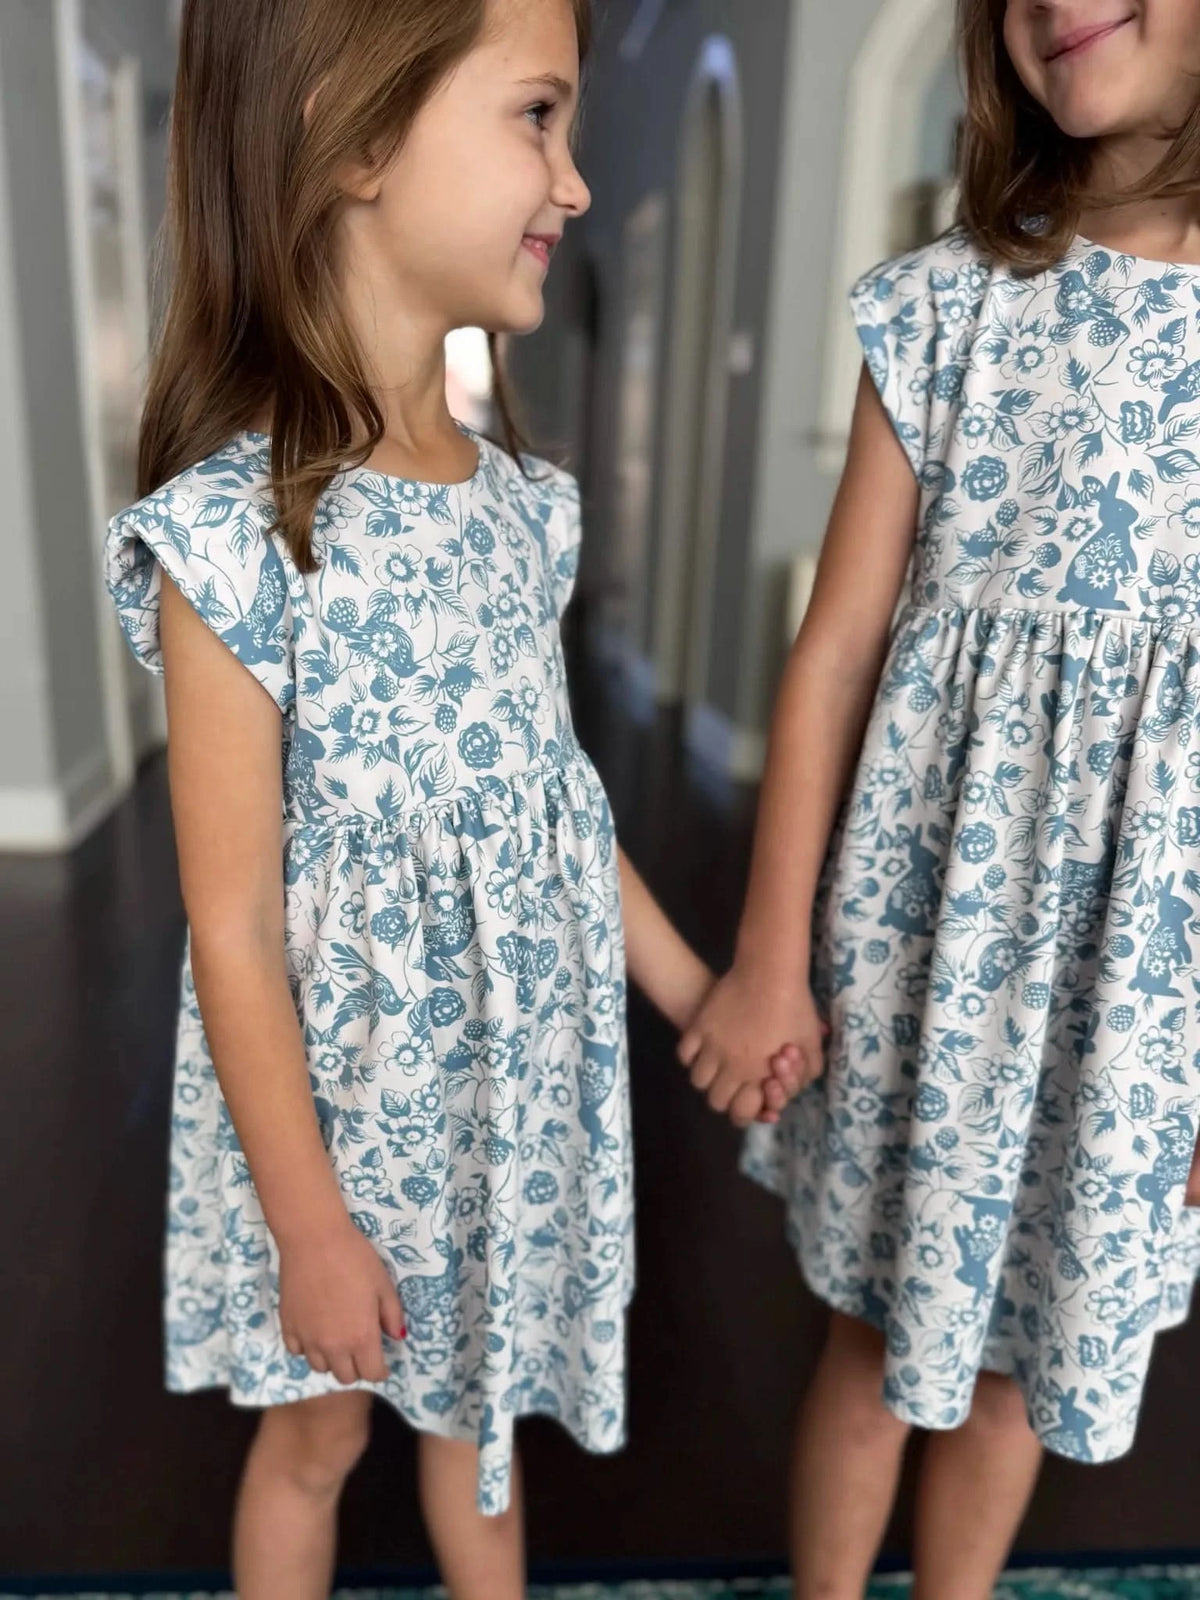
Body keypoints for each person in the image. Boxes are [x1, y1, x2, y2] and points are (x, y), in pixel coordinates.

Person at [103, 2, 756, 1594]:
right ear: (360, 133)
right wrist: (314, 1229)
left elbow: (556, 813)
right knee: (317, 1438)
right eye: (539, 116)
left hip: (501, 1115)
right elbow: (236, 927)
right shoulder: (238, 535)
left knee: (481, 1441)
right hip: (335, 1129)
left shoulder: (521, 514)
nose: (578, 182)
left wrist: (702, 994)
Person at [680, 2, 1200, 1595]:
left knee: (1019, 1345)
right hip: (930, 937)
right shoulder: (949, 303)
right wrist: (770, 957)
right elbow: (833, 653)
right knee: (878, 1326)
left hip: (1139, 971)